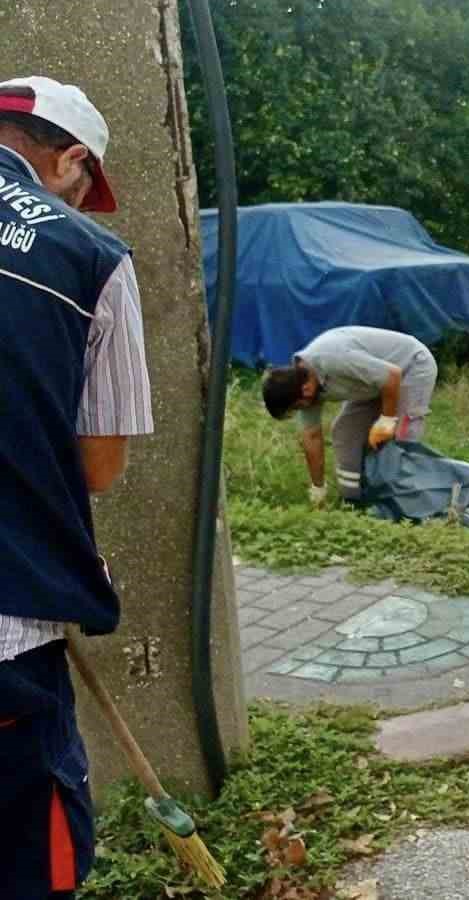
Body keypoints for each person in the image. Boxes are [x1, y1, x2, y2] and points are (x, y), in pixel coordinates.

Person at [0, 75, 154, 897]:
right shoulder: (86, 256)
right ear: (70, 163)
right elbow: (98, 465)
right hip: (9, 632)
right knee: (31, 859)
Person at [262, 326, 438, 503]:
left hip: (410, 366)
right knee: (345, 432)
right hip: (371, 384)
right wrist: (318, 488)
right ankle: (353, 501)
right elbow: (312, 437)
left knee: (402, 438)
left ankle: (407, 501)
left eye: (299, 406)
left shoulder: (333, 359)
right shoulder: (302, 387)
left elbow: (392, 376)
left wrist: (387, 420)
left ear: (305, 390)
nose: (304, 409)